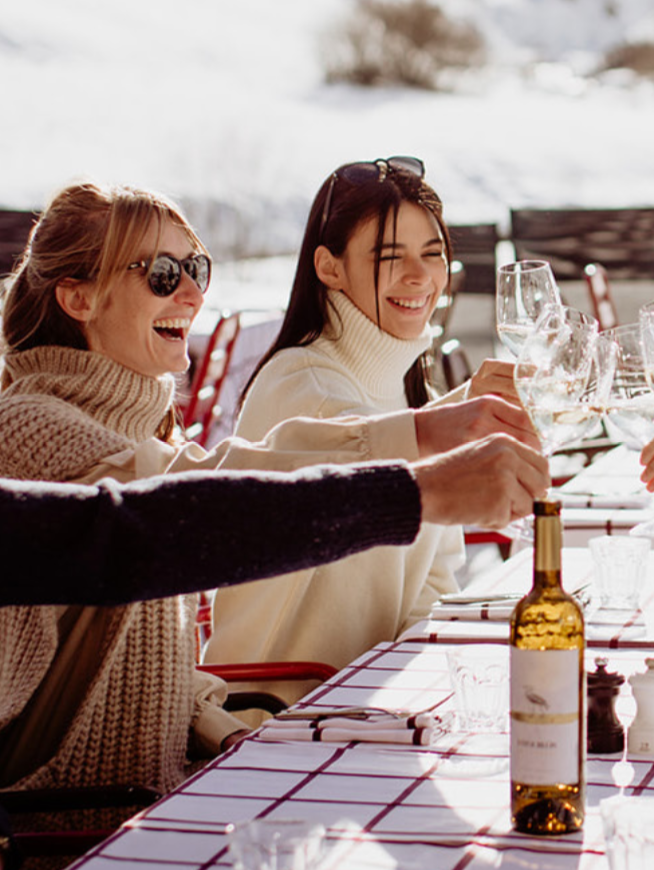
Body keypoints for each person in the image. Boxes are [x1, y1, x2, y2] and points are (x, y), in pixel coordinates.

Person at [0, 180, 538, 816]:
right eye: (162, 273)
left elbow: (152, 671)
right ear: (78, 297)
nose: (192, 293)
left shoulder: (137, 426)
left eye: (196, 268)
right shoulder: (22, 428)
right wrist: (422, 446)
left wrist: (226, 731)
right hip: (69, 830)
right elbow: (192, 500)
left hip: (165, 795)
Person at [0, 433, 548, 870]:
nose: (194, 300)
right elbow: (137, 534)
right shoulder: (34, 430)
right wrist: (414, 486)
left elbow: (131, 534)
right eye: (168, 288)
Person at [204, 157, 496, 684]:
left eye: (433, 255)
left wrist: (419, 671)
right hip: (276, 711)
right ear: (329, 267)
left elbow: (437, 572)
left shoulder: (408, 388)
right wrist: (457, 419)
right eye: (390, 257)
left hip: (368, 700)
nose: (419, 277)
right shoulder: (304, 383)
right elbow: (359, 454)